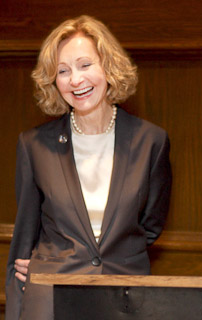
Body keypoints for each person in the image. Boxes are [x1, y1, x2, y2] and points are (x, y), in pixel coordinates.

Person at [6, 15, 172, 320]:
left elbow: (150, 226)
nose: (76, 80)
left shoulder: (152, 141)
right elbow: (26, 235)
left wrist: (118, 255)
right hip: (51, 300)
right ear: (53, 81)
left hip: (126, 301)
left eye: (85, 65)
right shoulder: (34, 145)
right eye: (63, 71)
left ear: (108, 66)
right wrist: (47, 262)